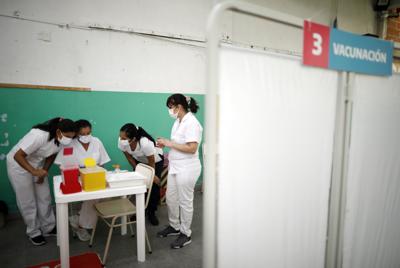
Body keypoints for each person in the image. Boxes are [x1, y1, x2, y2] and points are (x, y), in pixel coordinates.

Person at [6, 117, 75, 246]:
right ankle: (34, 231)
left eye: (72, 137)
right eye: (67, 136)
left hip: (37, 165)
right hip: (18, 166)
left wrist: (43, 171)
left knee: (45, 197)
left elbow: (52, 155)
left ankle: (48, 227)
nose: (69, 140)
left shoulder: (61, 140)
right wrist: (33, 171)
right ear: (59, 131)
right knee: (27, 200)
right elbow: (18, 156)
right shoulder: (38, 135)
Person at [156, 94, 203, 249]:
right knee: (171, 198)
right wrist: (166, 144)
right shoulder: (178, 121)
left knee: (185, 202)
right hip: (175, 166)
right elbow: (178, 143)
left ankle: (185, 233)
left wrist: (169, 143)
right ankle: (174, 226)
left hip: (188, 168)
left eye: (171, 107)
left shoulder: (192, 123)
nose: (169, 110)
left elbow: (192, 148)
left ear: (179, 106)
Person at [55, 119, 110, 241]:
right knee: (92, 197)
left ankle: (78, 221)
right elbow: (61, 164)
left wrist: (98, 175)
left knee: (101, 193)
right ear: (76, 134)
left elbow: (102, 163)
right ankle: (81, 224)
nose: (86, 136)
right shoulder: (70, 144)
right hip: (77, 177)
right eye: (83, 134)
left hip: (94, 176)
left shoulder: (97, 142)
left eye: (88, 133)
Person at [118, 123, 163, 225]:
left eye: (124, 138)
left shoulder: (145, 143)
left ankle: (151, 212)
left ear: (133, 138)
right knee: (139, 185)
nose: (121, 139)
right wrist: (137, 170)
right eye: (120, 136)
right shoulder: (122, 143)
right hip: (139, 161)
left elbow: (151, 161)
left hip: (155, 161)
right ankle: (140, 210)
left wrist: (152, 175)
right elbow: (129, 158)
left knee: (153, 186)